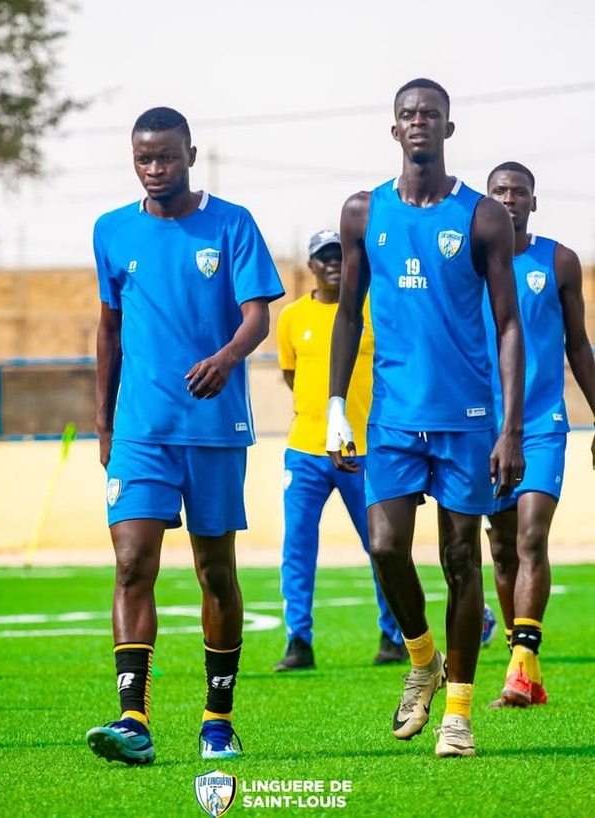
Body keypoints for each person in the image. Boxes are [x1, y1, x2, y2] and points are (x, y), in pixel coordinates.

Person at [326, 78, 526, 758]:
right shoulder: (363, 212)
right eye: (408, 115)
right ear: (393, 130)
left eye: (430, 115)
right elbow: (348, 313)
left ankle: (460, 715)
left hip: (467, 421)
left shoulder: (481, 217)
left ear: (448, 128)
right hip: (391, 420)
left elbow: (507, 327)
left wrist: (509, 426)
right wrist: (334, 407)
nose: (418, 124)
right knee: (384, 547)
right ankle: (421, 658)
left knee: (461, 559)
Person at [85, 106, 284, 765]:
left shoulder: (232, 224)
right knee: (132, 562)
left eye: (166, 156)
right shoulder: (111, 231)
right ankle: (133, 719)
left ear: (190, 155)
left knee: (213, 570)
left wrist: (226, 359)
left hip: (214, 428)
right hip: (143, 428)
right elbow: (109, 330)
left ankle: (218, 720)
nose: (154, 168)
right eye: (143, 158)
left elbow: (258, 317)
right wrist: (105, 419)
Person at [483, 161, 595, 707]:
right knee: (501, 548)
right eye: (499, 191)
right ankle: (522, 661)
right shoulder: (466, 266)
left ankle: (522, 665)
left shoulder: (560, 261)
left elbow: (579, 346)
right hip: (480, 428)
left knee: (530, 538)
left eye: (519, 192)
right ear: (486, 201)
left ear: (533, 202)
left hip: (544, 424)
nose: (509, 199)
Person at [274, 229, 405, 672]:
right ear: (310, 265)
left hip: (364, 450)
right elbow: (292, 377)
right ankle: (298, 641)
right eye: (323, 257)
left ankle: (394, 635)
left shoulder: (371, 309)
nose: (332, 263)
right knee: (298, 546)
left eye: (339, 256)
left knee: (381, 546)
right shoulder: (291, 317)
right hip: (305, 451)